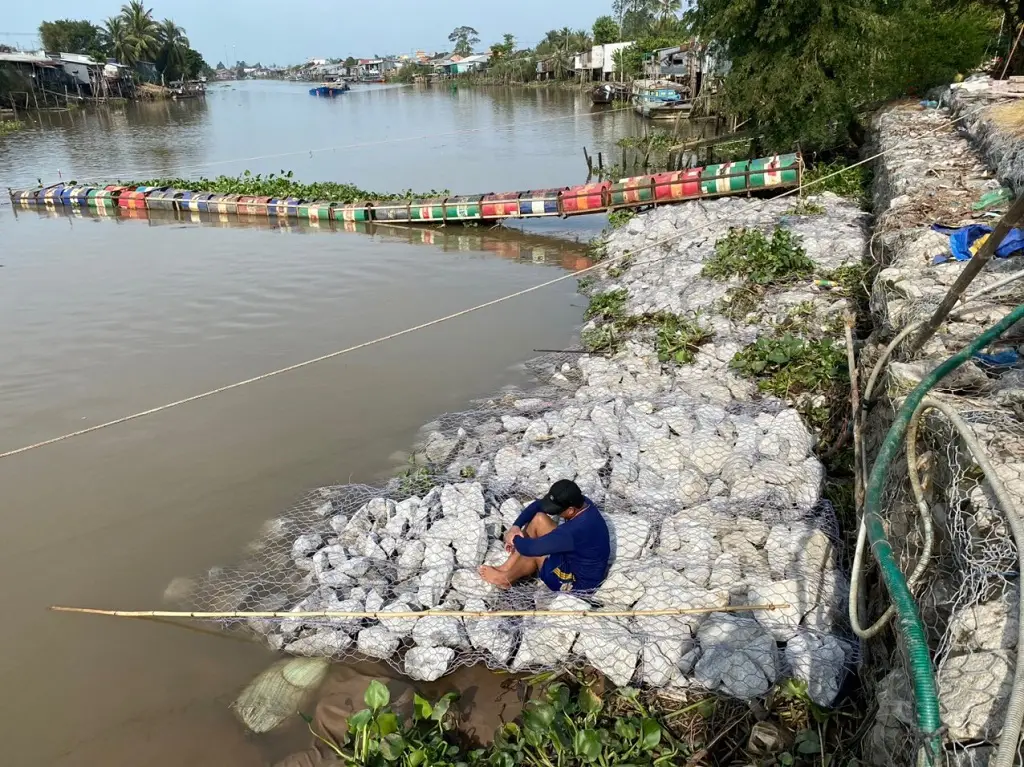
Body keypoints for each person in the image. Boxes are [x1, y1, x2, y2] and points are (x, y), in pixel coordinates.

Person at [478, 479, 611, 592]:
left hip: (576, 582)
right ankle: (506, 567)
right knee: (539, 519)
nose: (554, 512)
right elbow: (538, 505)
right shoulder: (581, 502)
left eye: (557, 510)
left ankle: (506, 578)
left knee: (536, 551)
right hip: (577, 556)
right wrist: (515, 527)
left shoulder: (575, 530)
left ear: (570, 510)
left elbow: (531, 549)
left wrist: (513, 538)